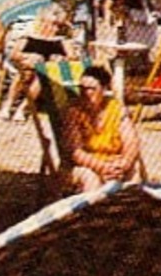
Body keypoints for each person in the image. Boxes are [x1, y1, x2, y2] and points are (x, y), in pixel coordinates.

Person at [57, 63, 142, 194]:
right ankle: (93, 213)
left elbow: (132, 143)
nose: (86, 93)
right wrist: (102, 167)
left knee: (135, 168)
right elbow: (76, 153)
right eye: (82, 88)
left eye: (92, 89)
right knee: (90, 178)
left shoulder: (116, 110)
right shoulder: (73, 112)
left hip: (113, 163)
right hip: (82, 166)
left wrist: (123, 165)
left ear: (104, 89)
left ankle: (131, 210)